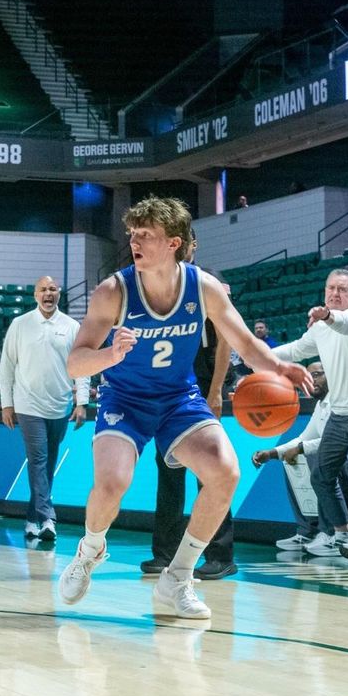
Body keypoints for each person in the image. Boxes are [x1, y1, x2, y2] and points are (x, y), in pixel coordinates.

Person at [57, 197, 309, 619]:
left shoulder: (203, 287)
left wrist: (279, 366)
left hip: (178, 399)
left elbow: (245, 344)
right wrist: (109, 356)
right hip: (125, 399)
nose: (134, 242)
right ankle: (90, 551)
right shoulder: (113, 291)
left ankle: (177, 577)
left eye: (146, 236)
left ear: (174, 243)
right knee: (112, 484)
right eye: (133, 234)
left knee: (226, 472)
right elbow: (74, 361)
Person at [269, 269, 348, 564]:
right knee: (321, 474)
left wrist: (326, 316)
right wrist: (259, 354)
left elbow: (344, 323)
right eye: (330, 288)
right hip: (340, 411)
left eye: (342, 289)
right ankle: (343, 533)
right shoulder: (321, 328)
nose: (335, 294)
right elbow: (297, 349)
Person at [139, 233, 237, 579]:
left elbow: (226, 341)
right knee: (168, 470)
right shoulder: (155, 284)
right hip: (168, 384)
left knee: (210, 469)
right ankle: (164, 553)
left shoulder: (209, 281)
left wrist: (216, 391)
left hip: (202, 375)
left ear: (192, 245)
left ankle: (220, 554)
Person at [0, 275, 89, 541]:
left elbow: (82, 367)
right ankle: (48, 518)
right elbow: (6, 366)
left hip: (60, 405)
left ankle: (31, 519)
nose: (48, 293)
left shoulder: (72, 326)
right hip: (28, 405)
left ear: (59, 293)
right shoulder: (20, 324)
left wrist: (81, 401)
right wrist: (7, 404)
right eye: (42, 289)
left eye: (52, 289)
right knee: (38, 459)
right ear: (35, 295)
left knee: (47, 466)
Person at [255, 362, 329, 552]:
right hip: (333, 456)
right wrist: (271, 453)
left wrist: (301, 448)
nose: (313, 380)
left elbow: (334, 441)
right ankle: (307, 530)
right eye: (309, 376)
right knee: (291, 461)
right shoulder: (321, 405)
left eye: (318, 374)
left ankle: (328, 531)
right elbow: (304, 438)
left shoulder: (339, 401)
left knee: (313, 457)